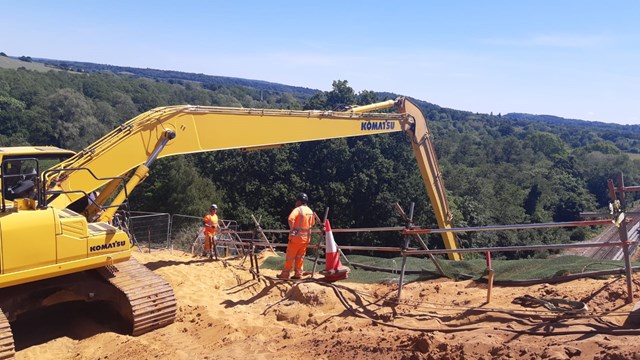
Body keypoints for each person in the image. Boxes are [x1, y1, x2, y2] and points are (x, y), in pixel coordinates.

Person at [278, 192, 316, 279]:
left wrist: (292, 230)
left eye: (297, 201)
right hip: (306, 238)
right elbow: (313, 223)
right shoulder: (310, 211)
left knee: (290, 256)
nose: (296, 203)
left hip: (296, 238)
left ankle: (285, 274)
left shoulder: (298, 210)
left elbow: (290, 219)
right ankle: (298, 274)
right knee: (300, 257)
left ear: (299, 201)